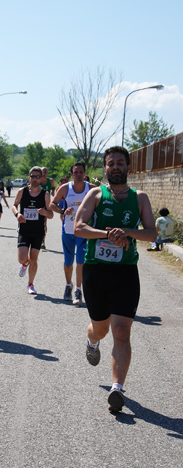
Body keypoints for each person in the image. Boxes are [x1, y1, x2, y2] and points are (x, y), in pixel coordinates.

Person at [74, 146, 156, 413]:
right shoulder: (96, 194)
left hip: (125, 272)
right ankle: (92, 340)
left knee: (121, 331)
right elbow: (79, 228)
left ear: (129, 167)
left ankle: (117, 388)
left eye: (120, 162)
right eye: (111, 163)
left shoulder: (140, 198)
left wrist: (128, 232)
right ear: (105, 168)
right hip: (96, 270)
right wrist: (107, 234)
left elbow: (152, 234)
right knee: (101, 327)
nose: (116, 167)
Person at [50, 162, 96, 306]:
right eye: (75, 172)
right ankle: (68, 285)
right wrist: (63, 211)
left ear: (84, 173)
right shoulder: (65, 188)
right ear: (72, 174)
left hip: (84, 231)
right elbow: (52, 204)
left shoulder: (92, 189)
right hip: (68, 231)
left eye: (80, 172)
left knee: (81, 262)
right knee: (68, 262)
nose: (78, 174)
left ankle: (78, 290)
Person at [12, 166, 53, 295]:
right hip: (24, 230)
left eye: (37, 177)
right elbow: (14, 205)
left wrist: (45, 212)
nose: (34, 179)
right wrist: (17, 214)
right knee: (22, 258)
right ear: (29, 177)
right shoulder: (22, 191)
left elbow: (51, 214)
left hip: (38, 231)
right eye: (32, 176)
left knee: (34, 259)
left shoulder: (45, 194)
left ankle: (30, 284)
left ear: (41, 178)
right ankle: (24, 264)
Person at [39, 166, 56, 249]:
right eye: (43, 171)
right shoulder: (38, 180)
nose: (44, 173)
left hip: (46, 204)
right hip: (37, 203)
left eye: (46, 172)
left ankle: (43, 241)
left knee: (44, 223)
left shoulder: (50, 181)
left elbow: (53, 187)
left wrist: (53, 191)